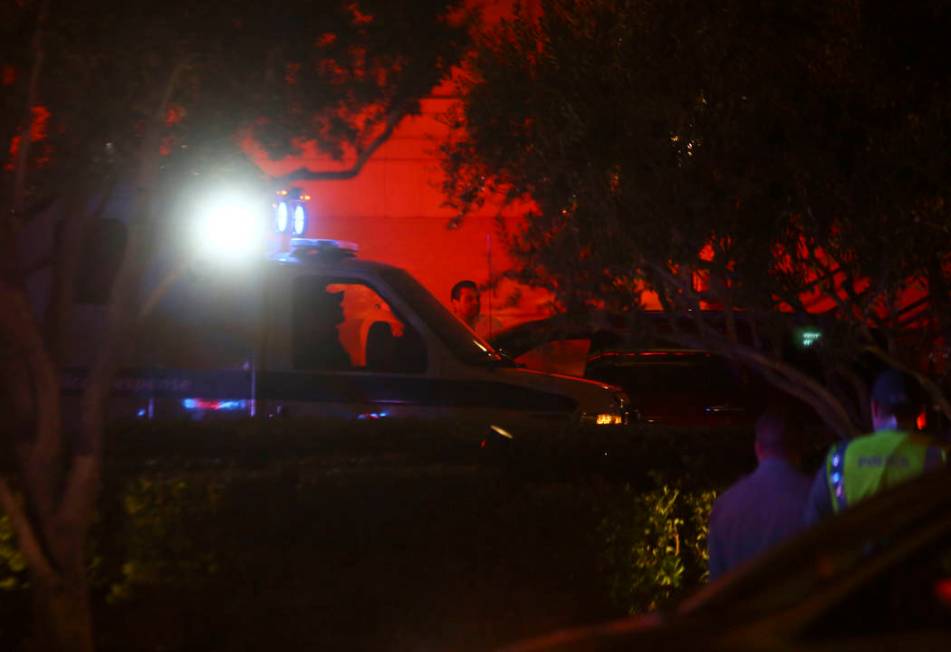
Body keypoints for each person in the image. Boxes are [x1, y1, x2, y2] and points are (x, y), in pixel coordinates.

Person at [803, 369, 948, 525]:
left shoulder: (839, 459)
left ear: (874, 408)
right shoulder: (940, 455)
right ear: (919, 412)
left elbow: (813, 526)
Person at [708, 408, 812, 581]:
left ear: (758, 448)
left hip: (743, 606)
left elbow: (717, 579)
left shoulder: (725, 506)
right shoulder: (816, 497)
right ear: (800, 447)